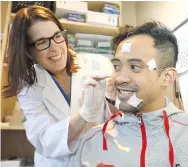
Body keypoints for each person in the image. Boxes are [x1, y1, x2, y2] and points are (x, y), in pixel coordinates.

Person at [69, 21, 188, 167]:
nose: (120, 78)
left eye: (134, 67)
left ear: (167, 77)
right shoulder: (91, 142)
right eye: (116, 66)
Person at [2, 5, 113, 167]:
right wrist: (84, 114)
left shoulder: (99, 64)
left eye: (57, 36)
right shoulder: (28, 87)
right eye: (42, 42)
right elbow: (45, 140)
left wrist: (113, 99)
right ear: (28, 51)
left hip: (99, 159)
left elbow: (119, 119)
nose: (55, 47)